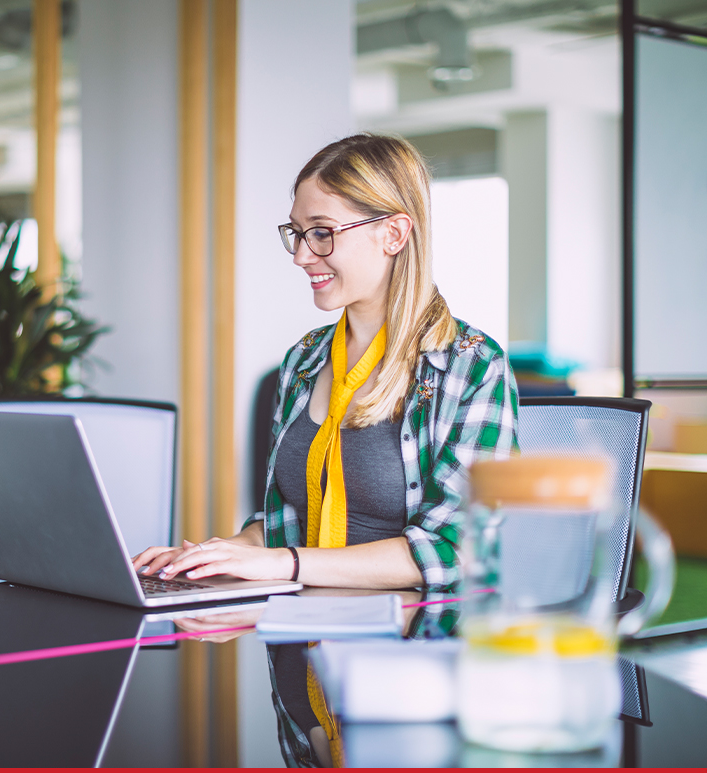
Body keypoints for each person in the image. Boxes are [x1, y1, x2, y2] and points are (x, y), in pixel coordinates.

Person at [132, 133, 518, 765]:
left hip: (419, 662)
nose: (302, 254)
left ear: (394, 234)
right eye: (296, 233)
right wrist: (219, 555)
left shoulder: (471, 367)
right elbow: (287, 519)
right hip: (303, 650)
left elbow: (463, 546)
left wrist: (281, 564)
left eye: (322, 232)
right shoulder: (306, 359)